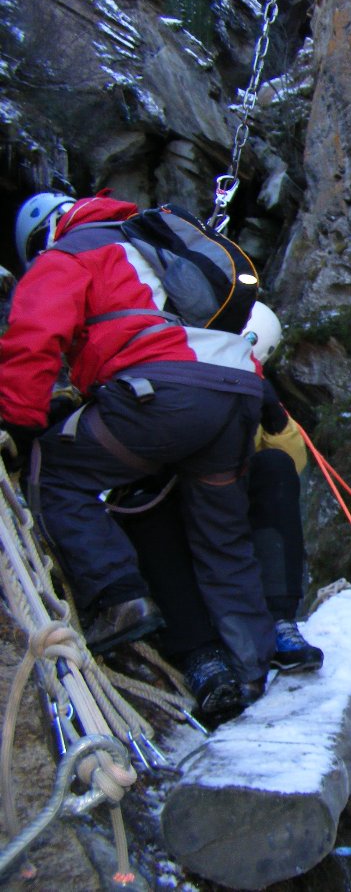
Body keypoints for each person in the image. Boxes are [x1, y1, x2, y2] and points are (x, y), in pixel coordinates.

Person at [0, 191, 275, 702]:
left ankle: (117, 597)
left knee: (55, 468)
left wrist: (20, 420)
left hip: (162, 395)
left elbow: (33, 339)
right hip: (237, 392)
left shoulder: (69, 253)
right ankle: (254, 669)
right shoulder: (158, 248)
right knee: (224, 542)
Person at [112, 304, 323, 721]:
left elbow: (293, 463)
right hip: (166, 504)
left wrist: (273, 415)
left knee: (275, 469)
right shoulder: (176, 362)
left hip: (223, 512)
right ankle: (199, 651)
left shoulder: (251, 391)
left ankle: (279, 620)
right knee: (146, 502)